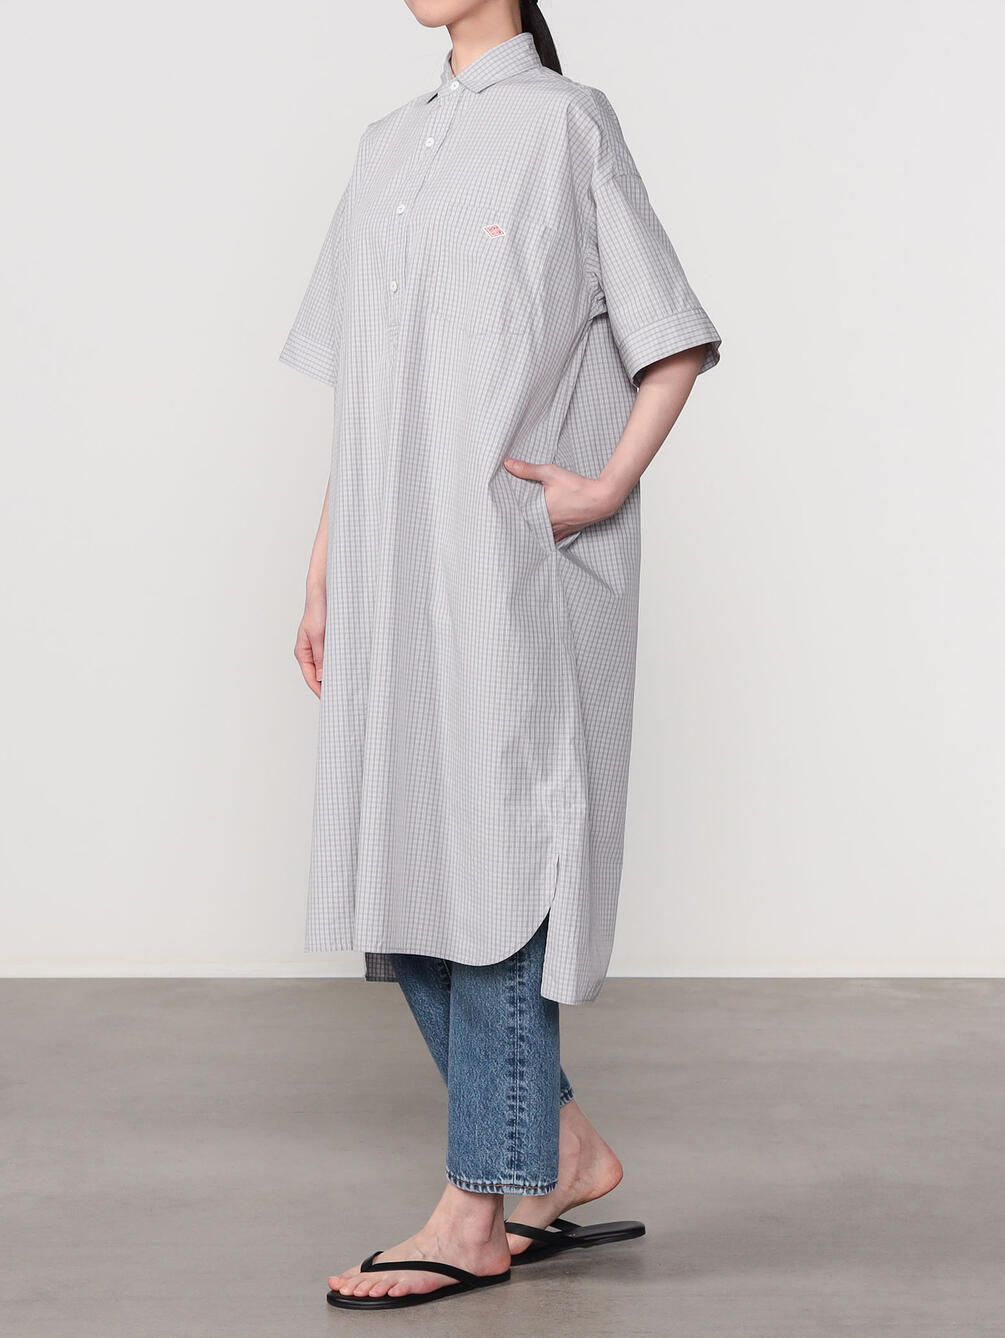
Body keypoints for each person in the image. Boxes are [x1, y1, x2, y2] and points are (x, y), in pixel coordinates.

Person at [281, 0, 721, 1312]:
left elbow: (672, 333)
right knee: (402, 870)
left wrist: (605, 484)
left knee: (501, 860)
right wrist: (323, 566)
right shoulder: (385, 147)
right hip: (391, 569)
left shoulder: (567, 126)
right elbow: (367, 386)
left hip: (509, 568)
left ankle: (477, 1205)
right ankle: (558, 1148)